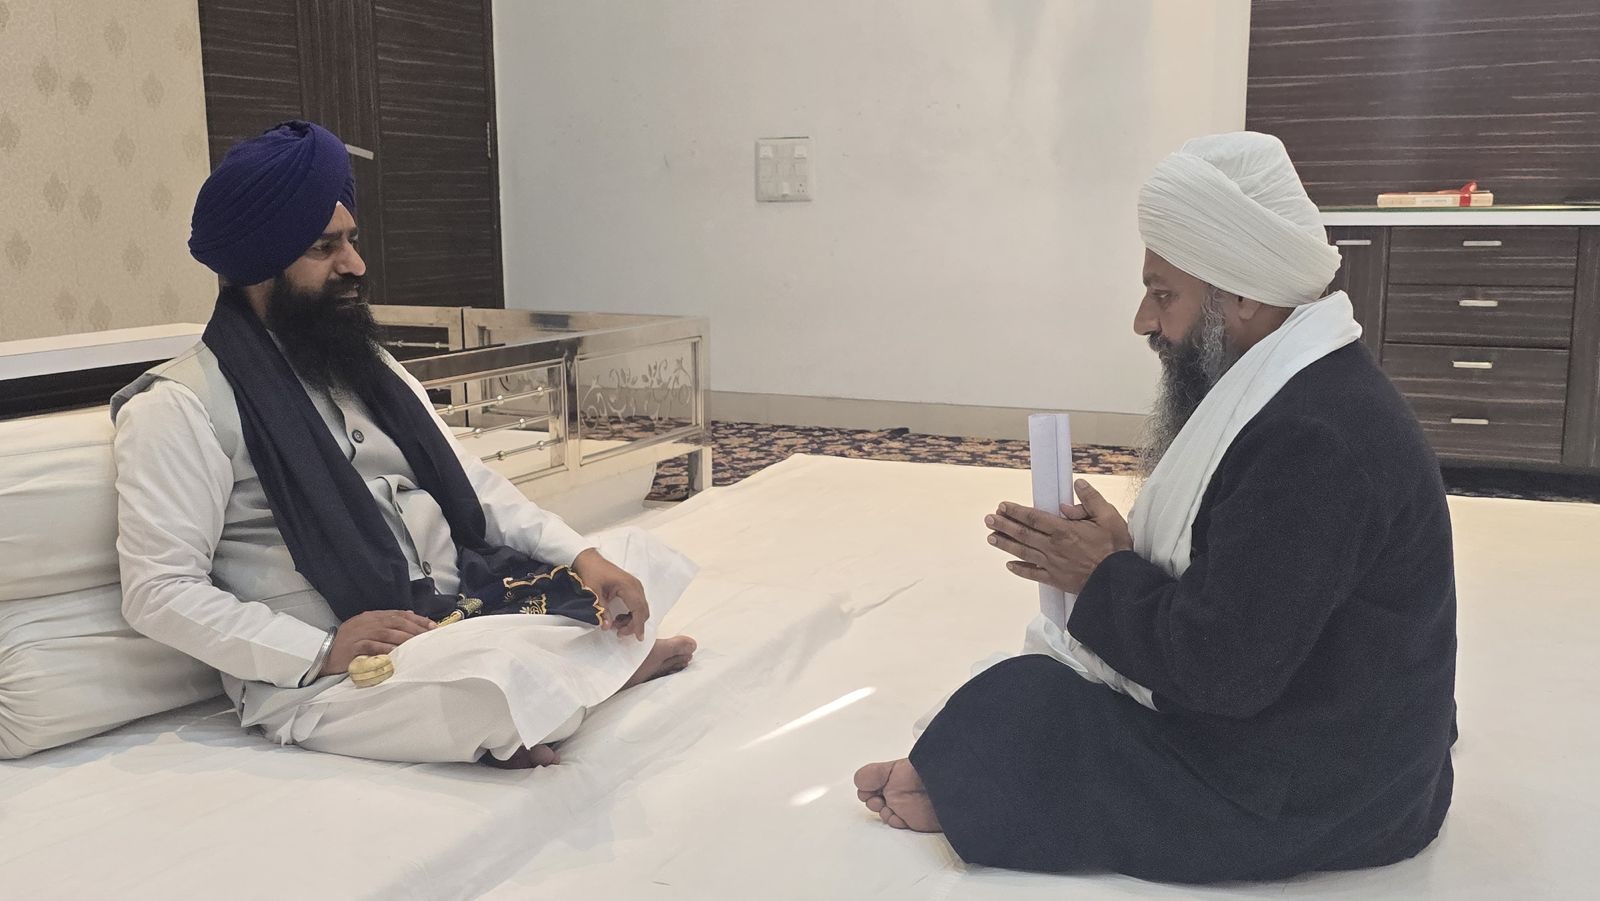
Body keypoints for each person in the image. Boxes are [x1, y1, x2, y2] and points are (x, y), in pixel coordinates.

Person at [854, 132, 1457, 883]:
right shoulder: (1306, 392)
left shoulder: (1312, 438)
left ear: (1242, 294)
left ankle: (969, 782)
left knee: (1026, 709)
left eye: (1164, 293)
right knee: (1024, 700)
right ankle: (973, 770)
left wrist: (1103, 575)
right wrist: (1121, 558)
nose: (1144, 320)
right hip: (1344, 742)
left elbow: (1222, 674)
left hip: (1327, 792)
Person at [112, 120, 696, 768]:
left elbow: (476, 487)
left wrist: (584, 557)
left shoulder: (369, 367)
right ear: (260, 263)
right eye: (325, 247)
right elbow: (158, 590)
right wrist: (321, 651)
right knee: (494, 685)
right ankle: (564, 686)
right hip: (336, 673)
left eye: (352, 240)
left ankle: (555, 688)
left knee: (637, 560)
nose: (355, 265)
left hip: (461, 606)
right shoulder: (178, 406)